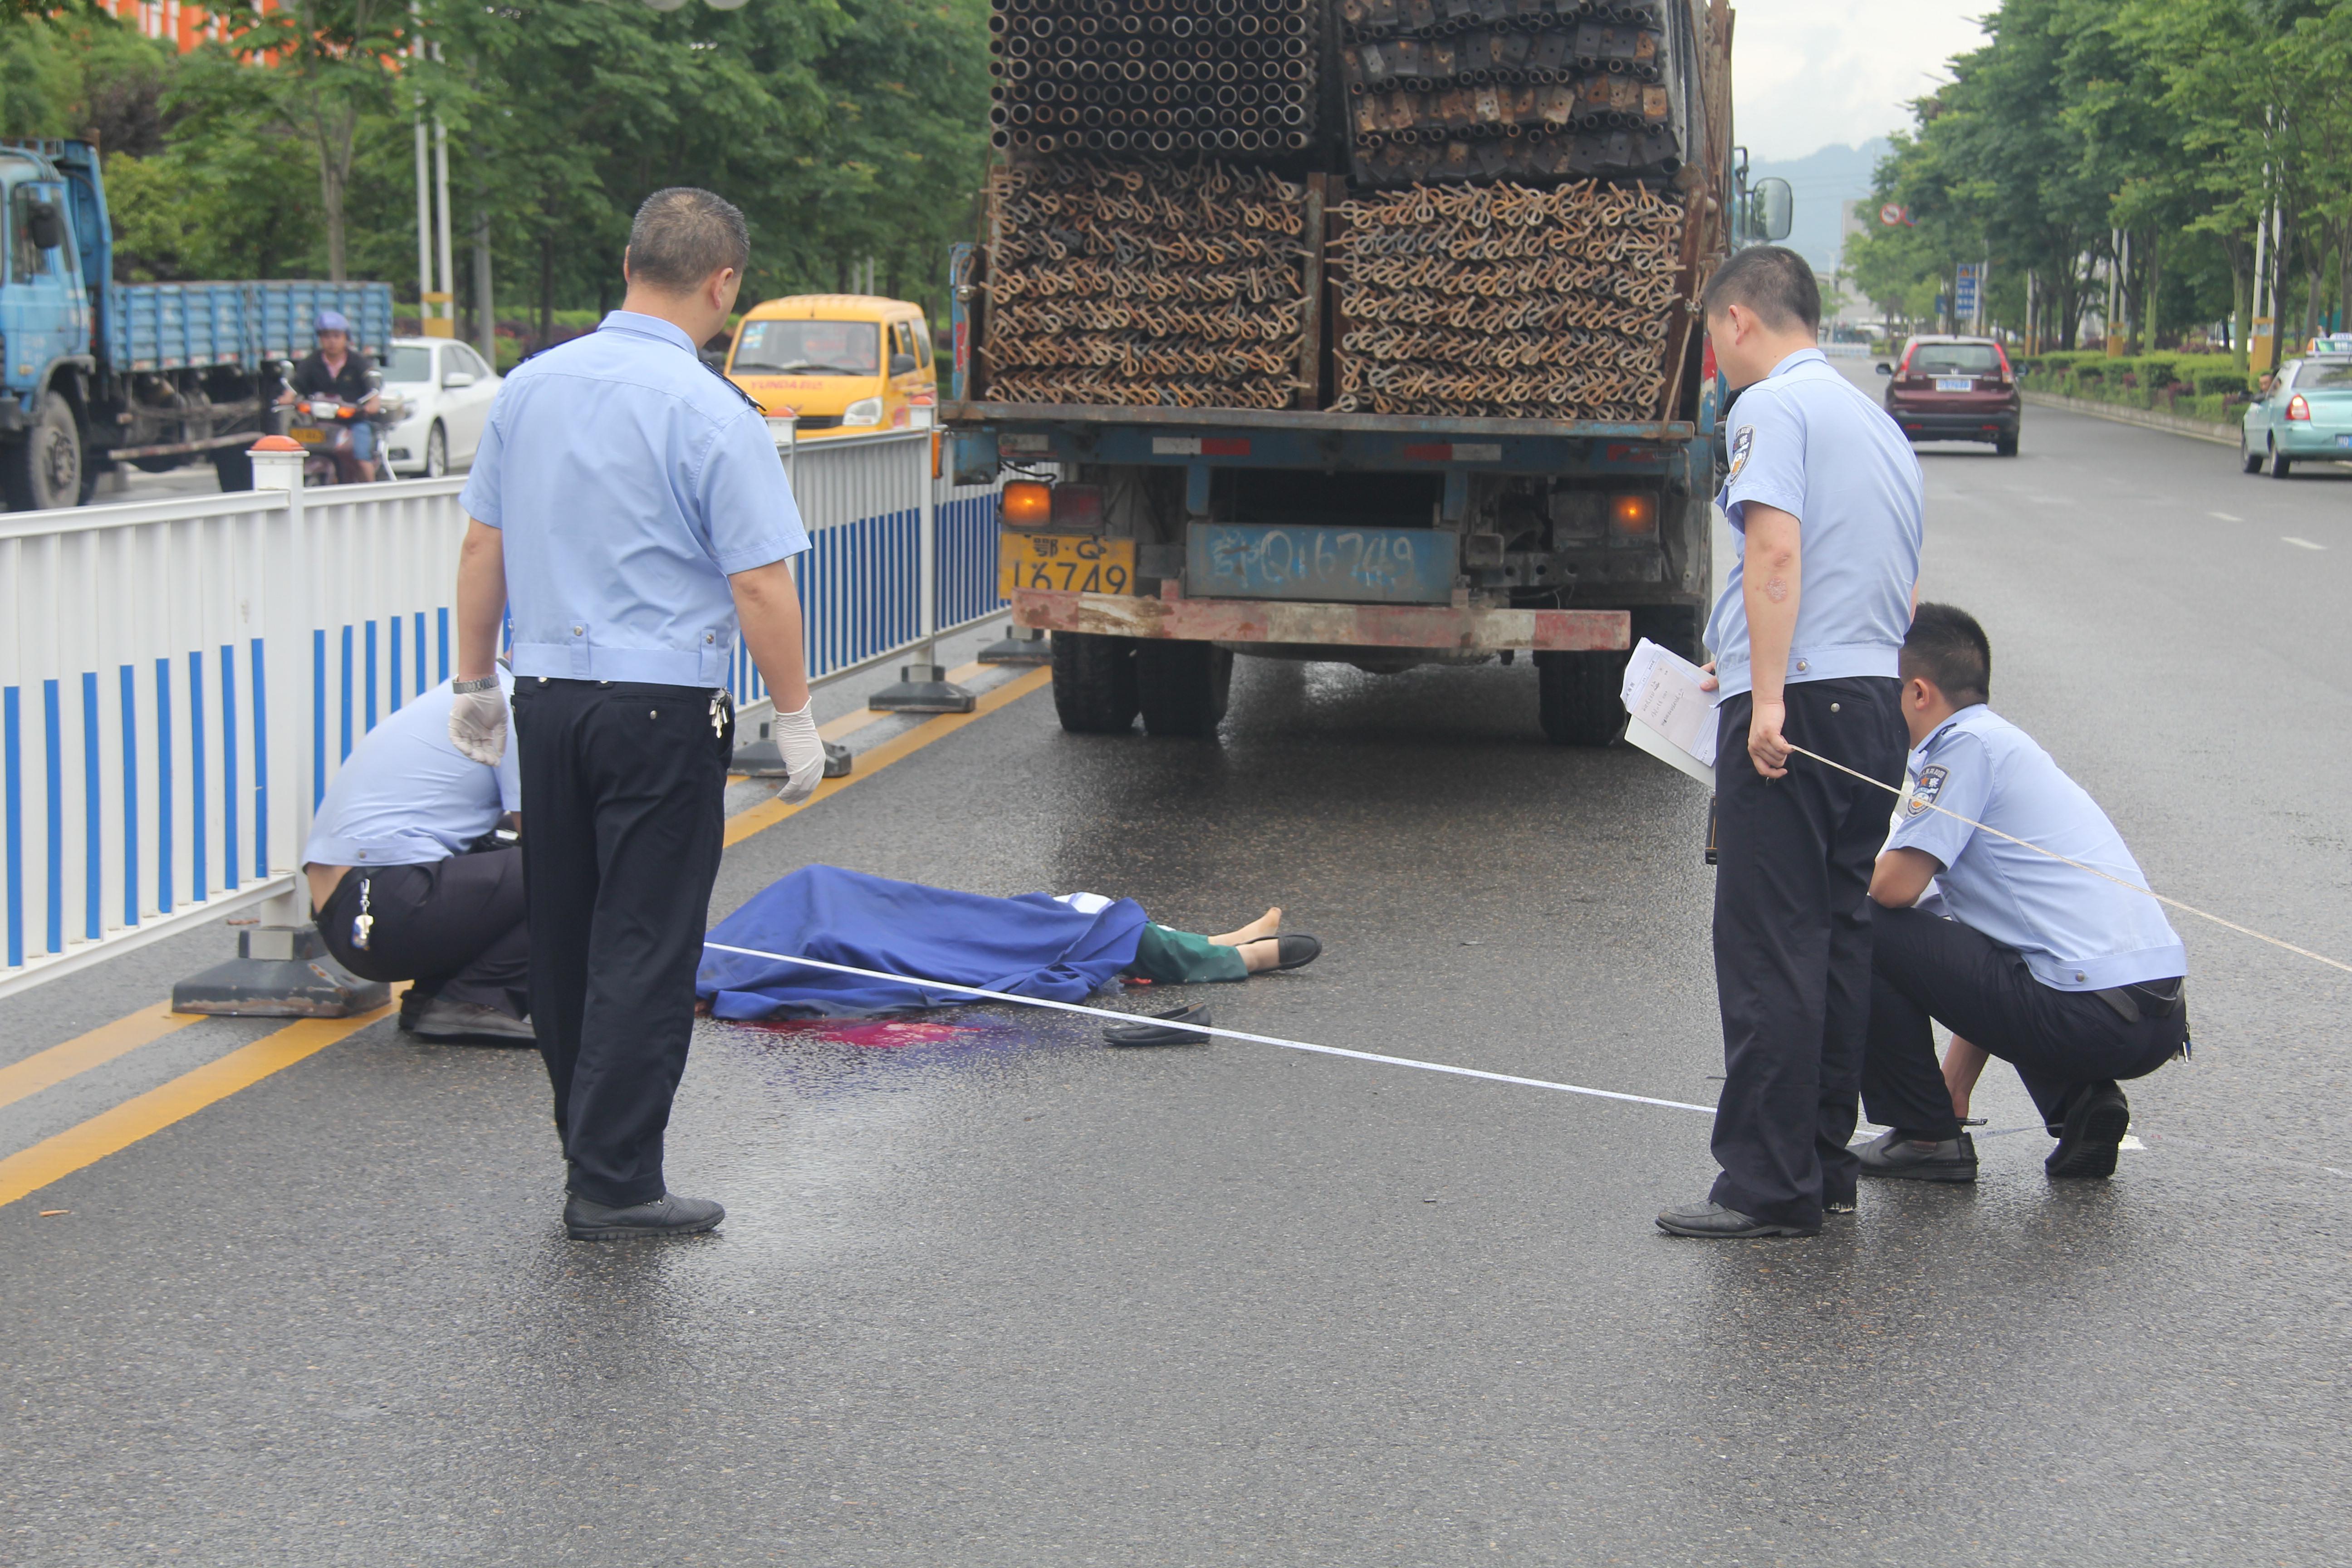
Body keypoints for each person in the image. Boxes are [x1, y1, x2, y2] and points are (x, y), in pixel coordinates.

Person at [448, 187, 829, 1243]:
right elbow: (759, 584)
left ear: (627, 263)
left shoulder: (528, 389)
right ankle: (615, 1181)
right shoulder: (713, 410)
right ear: (724, 284)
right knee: (646, 939)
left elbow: (484, 547)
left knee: (565, 932)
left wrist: (474, 682)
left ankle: (590, 1144)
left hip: (548, 699)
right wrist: (794, 715)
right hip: (661, 707)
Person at [1656, 245, 1925, 1240]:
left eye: (1713, 342)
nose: (1716, 365)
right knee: (1838, 940)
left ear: (1736, 321)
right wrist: (1753, 654)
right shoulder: (1879, 425)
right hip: (1871, 700)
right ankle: (1820, 1165)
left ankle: (1766, 1187)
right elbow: (1882, 580)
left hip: (1800, 709)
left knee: (1770, 945)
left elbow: (1774, 548)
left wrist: (1765, 696)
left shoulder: (1767, 407)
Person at [1856, 603, 2187, 1183]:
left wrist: (1813, 864)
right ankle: (2081, 1104)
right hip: (2152, 1017)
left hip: (2093, 1016)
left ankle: (1924, 1135)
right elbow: (1977, 963)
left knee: (1860, 921)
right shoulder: (2003, 744)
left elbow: (1892, 889)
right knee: (1983, 952)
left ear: (1917, 693)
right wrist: (1955, 1087)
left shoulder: (1960, 749)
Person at [696, 866, 1323, 1020]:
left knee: (1042, 919)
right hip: (854, 931)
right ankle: (1224, 954)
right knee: (1048, 935)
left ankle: (1211, 946)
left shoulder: (708, 957)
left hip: (844, 905)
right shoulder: (724, 969)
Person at [304, 666, 534, 1044]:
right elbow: (544, 834)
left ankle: (436, 996)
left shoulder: (478, 692)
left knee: (511, 846)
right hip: (383, 904)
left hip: (354, 911)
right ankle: (475, 998)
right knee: (577, 865)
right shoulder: (512, 705)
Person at [280, 309, 382, 480]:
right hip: (321, 423)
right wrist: (288, 397)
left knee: (361, 457)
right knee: (295, 452)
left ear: (346, 338)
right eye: (326, 336)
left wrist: (373, 402)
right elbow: (296, 385)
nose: (332, 341)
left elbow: (372, 386)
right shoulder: (312, 362)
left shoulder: (358, 362)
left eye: (337, 336)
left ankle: (372, 496)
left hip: (354, 421)